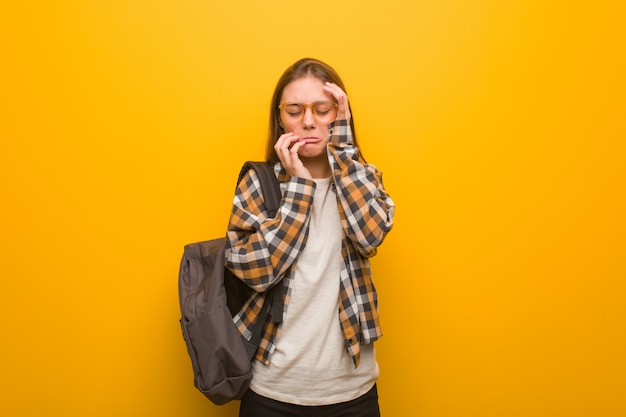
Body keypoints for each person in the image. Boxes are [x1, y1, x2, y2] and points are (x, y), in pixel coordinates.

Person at [225, 58, 395, 417]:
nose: (308, 121)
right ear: (280, 118)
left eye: (322, 109)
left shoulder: (361, 178)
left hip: (352, 391)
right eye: (295, 110)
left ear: (340, 115)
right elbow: (258, 272)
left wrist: (344, 152)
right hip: (272, 392)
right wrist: (300, 187)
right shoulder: (258, 183)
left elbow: (370, 235)